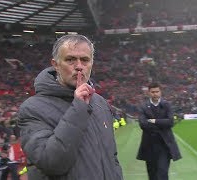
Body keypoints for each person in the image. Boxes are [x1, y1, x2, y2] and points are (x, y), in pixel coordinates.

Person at [18, 35, 123, 180]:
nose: (79, 66)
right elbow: (52, 163)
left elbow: (112, 159)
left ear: (92, 63)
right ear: (56, 64)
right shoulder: (32, 108)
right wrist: (78, 107)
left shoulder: (100, 103)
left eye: (85, 60)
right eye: (70, 60)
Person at [137, 82, 181, 180]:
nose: (155, 94)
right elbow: (143, 124)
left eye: (157, 91)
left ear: (161, 92)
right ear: (148, 93)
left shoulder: (167, 105)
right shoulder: (143, 107)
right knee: (152, 174)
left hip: (164, 145)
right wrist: (162, 124)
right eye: (153, 92)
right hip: (149, 145)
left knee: (162, 173)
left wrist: (154, 121)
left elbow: (170, 122)